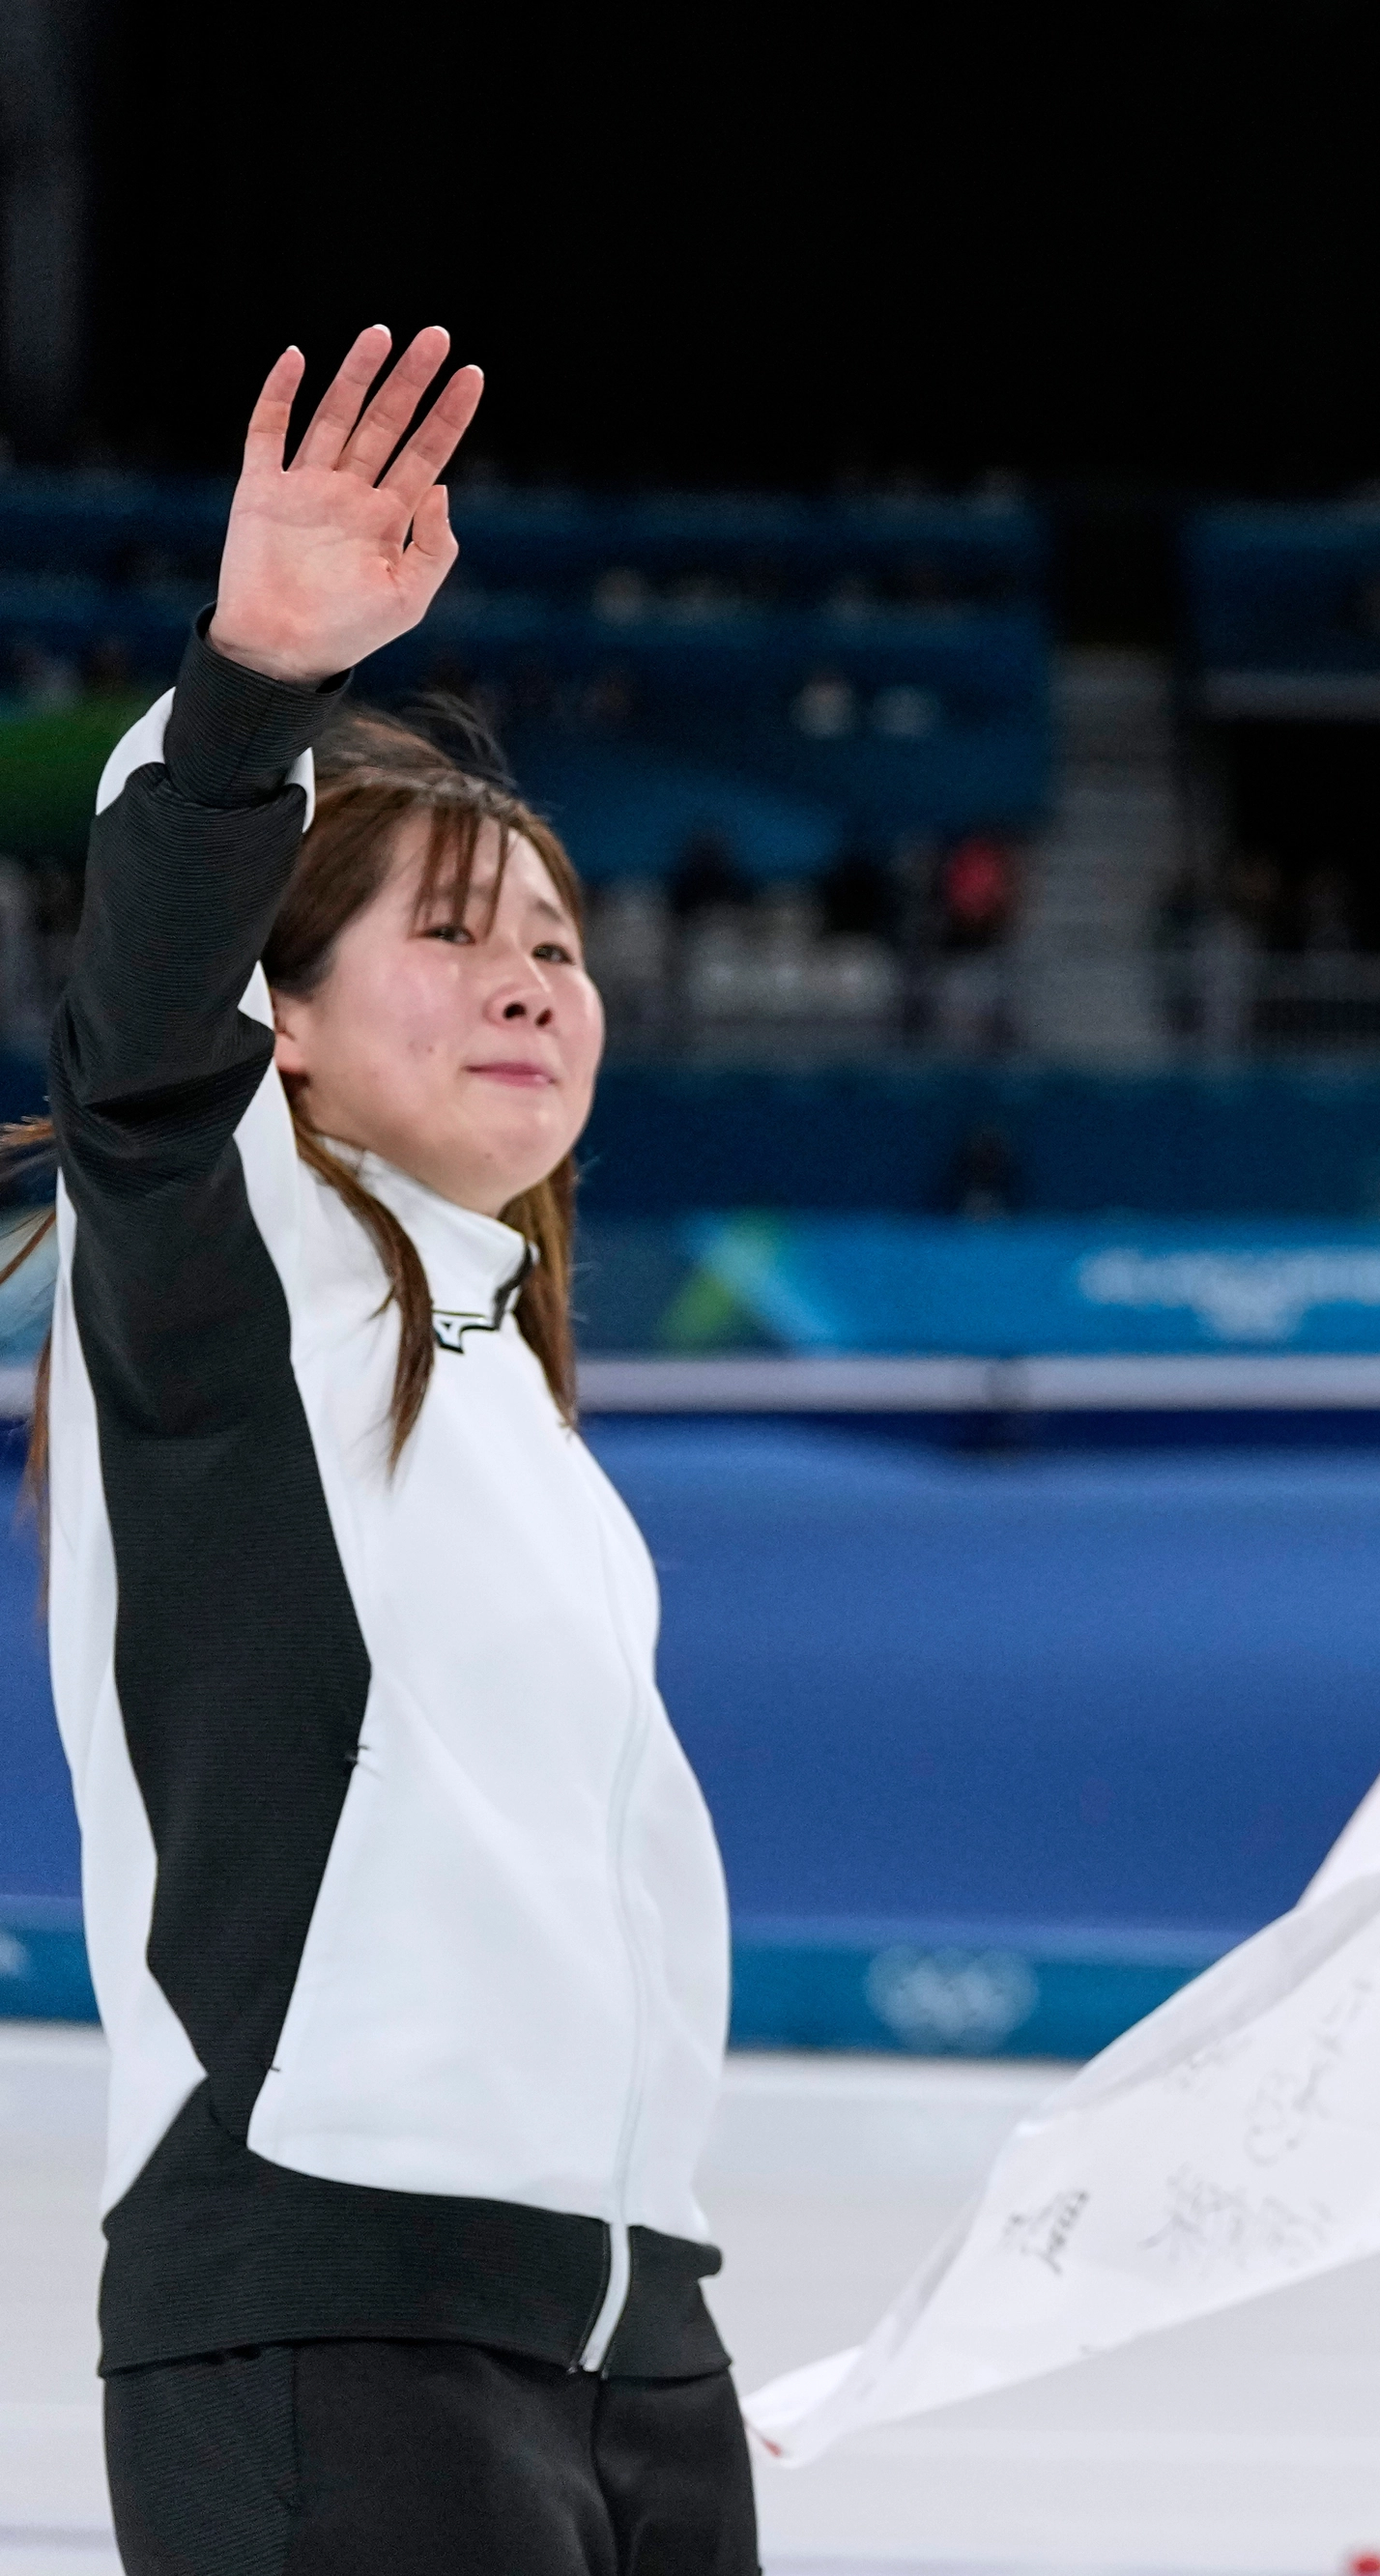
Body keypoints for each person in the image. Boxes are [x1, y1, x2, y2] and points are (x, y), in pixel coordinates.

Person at [38, 331, 752, 2570]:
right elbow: (145, 1030)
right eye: (452, 935)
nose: (538, 975)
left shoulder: (512, 1391)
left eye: (555, 935)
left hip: (629, 2333)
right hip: (334, 2314)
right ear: (294, 1034)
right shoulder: (232, 1281)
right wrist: (253, 686)